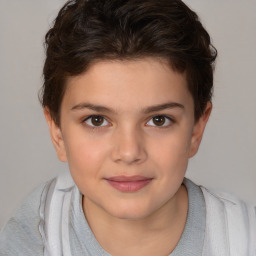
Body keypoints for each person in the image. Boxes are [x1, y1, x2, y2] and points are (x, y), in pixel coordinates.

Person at [0, 0, 255, 255]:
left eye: (158, 120)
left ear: (197, 129)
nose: (129, 152)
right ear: (58, 133)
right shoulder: (34, 239)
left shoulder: (244, 239)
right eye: (96, 120)